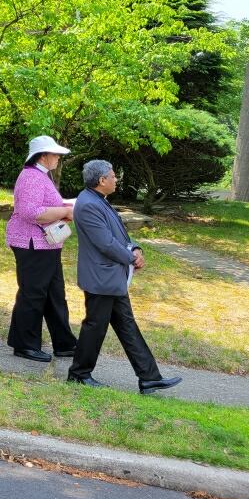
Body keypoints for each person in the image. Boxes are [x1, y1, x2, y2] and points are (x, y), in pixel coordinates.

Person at [67, 159, 182, 394]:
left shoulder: (99, 201)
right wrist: (131, 258)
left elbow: (119, 233)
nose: (116, 179)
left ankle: (149, 377)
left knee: (127, 326)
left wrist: (135, 247)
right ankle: (78, 374)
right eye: (113, 175)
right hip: (101, 278)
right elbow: (105, 243)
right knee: (95, 327)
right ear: (101, 181)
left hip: (110, 278)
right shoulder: (89, 204)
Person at [5, 135, 78, 363]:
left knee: (55, 294)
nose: (58, 158)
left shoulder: (40, 176)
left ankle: (64, 344)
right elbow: (31, 212)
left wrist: (68, 205)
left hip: (46, 244)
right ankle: (25, 345)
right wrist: (66, 212)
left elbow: (47, 206)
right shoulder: (31, 177)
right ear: (43, 156)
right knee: (33, 294)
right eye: (55, 154)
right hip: (32, 244)